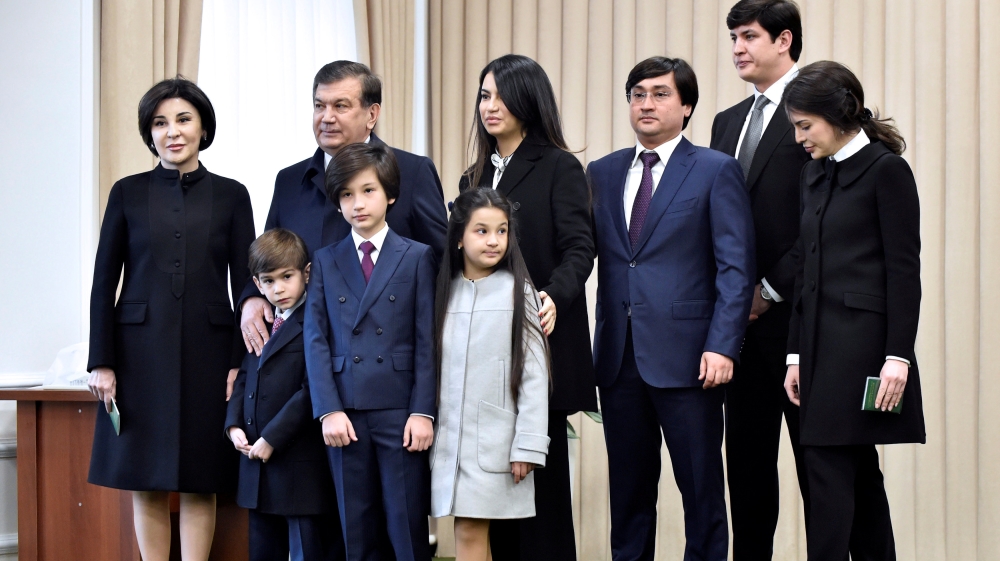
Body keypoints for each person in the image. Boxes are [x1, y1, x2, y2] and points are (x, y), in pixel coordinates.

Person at [588, 57, 756, 561]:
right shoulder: (602, 171)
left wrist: (723, 345)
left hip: (691, 362)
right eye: (637, 93)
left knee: (701, 493)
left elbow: (735, 268)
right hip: (620, 360)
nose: (646, 104)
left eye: (660, 94)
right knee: (629, 496)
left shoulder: (714, 169)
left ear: (686, 106)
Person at [87, 77, 256, 561]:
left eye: (183, 119)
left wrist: (238, 364)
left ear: (203, 127)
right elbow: (104, 282)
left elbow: (248, 287)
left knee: (203, 477)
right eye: (160, 123)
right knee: (147, 478)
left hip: (210, 351)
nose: (172, 132)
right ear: (150, 133)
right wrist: (103, 361)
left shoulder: (232, 194)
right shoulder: (126, 192)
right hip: (137, 354)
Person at [782, 61, 925, 561]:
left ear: (839, 114)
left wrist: (898, 357)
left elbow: (904, 273)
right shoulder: (812, 176)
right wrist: (794, 355)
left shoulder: (887, 171)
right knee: (859, 477)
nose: (800, 137)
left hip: (863, 353)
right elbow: (806, 273)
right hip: (818, 352)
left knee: (826, 473)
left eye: (805, 125)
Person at [459, 54, 596, 561]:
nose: (489, 106)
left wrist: (554, 295)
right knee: (494, 498)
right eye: (483, 95)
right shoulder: (471, 177)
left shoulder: (560, 165)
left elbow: (581, 247)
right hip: (484, 355)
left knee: (544, 497)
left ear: (528, 100)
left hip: (542, 341)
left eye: (500, 95)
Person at [241, 60, 447, 357]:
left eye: (340, 106)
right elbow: (268, 257)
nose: (326, 118)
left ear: (371, 114)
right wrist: (251, 299)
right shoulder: (289, 181)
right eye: (319, 106)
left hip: (387, 358)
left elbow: (442, 268)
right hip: (303, 357)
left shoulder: (413, 172)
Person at [709, 1, 812, 556]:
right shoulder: (726, 122)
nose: (738, 49)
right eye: (733, 38)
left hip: (800, 324)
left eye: (749, 36)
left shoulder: (818, 108)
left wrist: (769, 290)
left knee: (821, 473)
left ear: (784, 41)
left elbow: (824, 222)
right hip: (738, 332)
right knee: (746, 474)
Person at [305, 143, 436, 561]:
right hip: (344, 410)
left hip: (400, 412)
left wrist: (423, 411)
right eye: (346, 194)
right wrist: (327, 409)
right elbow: (316, 339)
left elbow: (426, 341)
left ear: (390, 195)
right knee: (356, 534)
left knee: (406, 528)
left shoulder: (417, 256)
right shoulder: (324, 260)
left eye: (368, 191)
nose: (357, 203)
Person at [430, 188, 552, 561]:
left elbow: (534, 376)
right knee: (471, 536)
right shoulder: (441, 294)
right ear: (459, 237)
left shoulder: (520, 293)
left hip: (496, 444)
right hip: (448, 445)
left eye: (501, 231)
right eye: (481, 231)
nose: (493, 241)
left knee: (468, 531)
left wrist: (529, 444)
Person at [226, 228, 340, 561]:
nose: (279, 288)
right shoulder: (262, 322)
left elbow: (310, 391)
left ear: (305, 274)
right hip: (256, 467)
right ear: (257, 285)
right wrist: (233, 425)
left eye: (287, 277)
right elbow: (245, 376)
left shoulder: (316, 322)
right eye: (269, 281)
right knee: (262, 550)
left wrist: (272, 438)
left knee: (306, 550)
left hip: (298, 468)